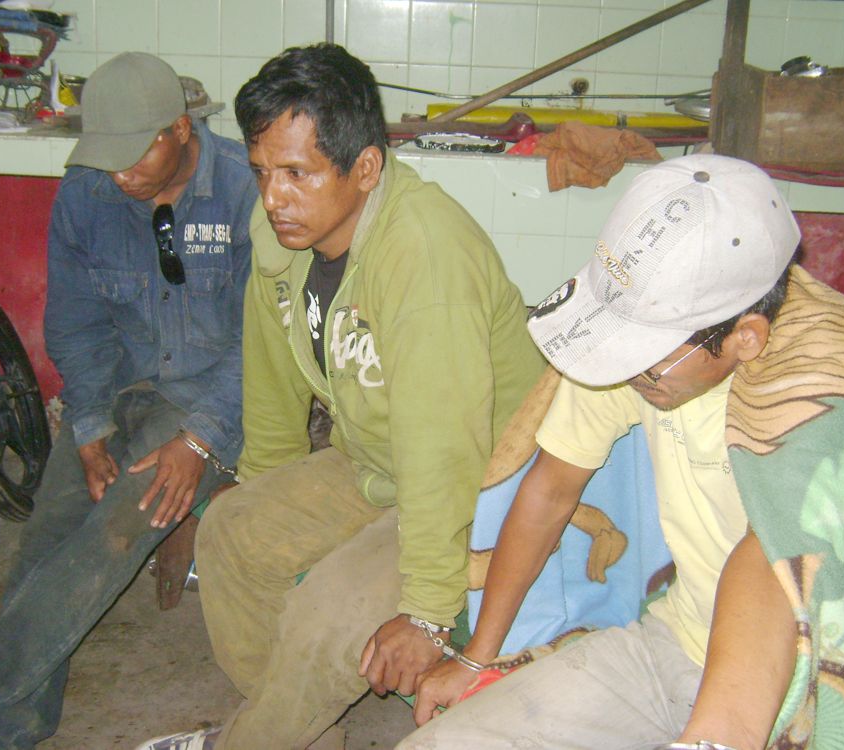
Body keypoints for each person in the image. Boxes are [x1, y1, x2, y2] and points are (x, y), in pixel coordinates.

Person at [400, 154, 844, 749]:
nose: (625, 371)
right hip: (679, 645)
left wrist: (709, 737)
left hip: (795, 680)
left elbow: (771, 570)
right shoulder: (651, 347)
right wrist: (477, 657)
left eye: (644, 358)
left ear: (746, 337)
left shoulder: (823, 407)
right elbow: (550, 490)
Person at [139, 43, 545, 750]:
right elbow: (272, 387)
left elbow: (443, 449)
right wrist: (268, 496)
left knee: (327, 618)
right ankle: (295, 735)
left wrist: (427, 611)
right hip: (377, 459)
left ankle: (244, 743)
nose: (273, 197)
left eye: (297, 173)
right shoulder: (281, 231)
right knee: (231, 533)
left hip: (483, 480)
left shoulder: (424, 256)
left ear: (365, 169)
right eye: (262, 171)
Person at [0, 52, 256, 750]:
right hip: (116, 392)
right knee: (47, 543)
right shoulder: (87, 192)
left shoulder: (244, 191)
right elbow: (76, 323)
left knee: (109, 536)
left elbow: (260, 344)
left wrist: (200, 439)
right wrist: (87, 426)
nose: (117, 174)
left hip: (210, 405)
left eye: (133, 154)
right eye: (106, 155)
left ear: (180, 130)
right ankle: (12, 723)